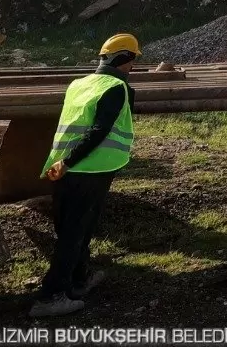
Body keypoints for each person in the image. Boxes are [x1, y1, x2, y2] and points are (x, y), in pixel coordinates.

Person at [31, 33, 139, 318]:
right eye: (134, 60)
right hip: (91, 169)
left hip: (61, 168)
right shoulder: (116, 88)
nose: (134, 67)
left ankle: (79, 280)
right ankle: (50, 297)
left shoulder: (79, 84)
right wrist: (70, 161)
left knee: (71, 229)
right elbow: (98, 131)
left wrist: (63, 163)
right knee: (74, 234)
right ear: (126, 60)